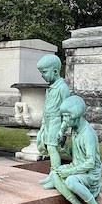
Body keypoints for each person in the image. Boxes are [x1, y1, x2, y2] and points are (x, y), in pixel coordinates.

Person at [49, 95, 102, 204]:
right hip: (77, 168)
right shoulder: (75, 129)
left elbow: (90, 162)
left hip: (89, 174)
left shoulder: (88, 134)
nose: (64, 120)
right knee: (54, 174)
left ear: (74, 116)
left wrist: (69, 172)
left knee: (70, 181)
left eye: (66, 116)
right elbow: (76, 155)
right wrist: (64, 145)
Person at [35, 54, 71, 185]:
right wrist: (43, 125)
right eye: (41, 72)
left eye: (44, 72)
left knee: (52, 148)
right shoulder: (50, 88)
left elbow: (68, 111)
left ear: (55, 71)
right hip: (48, 121)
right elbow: (46, 109)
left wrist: (62, 129)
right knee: (47, 147)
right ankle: (52, 175)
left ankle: (55, 176)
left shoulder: (62, 87)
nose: (42, 75)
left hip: (57, 121)